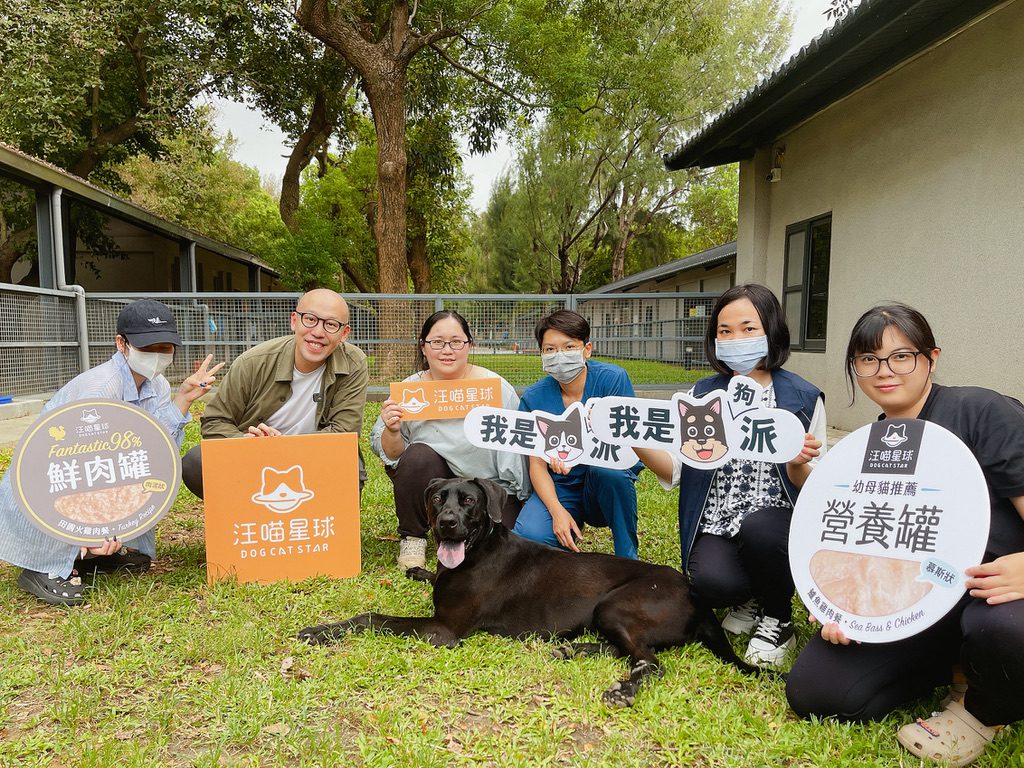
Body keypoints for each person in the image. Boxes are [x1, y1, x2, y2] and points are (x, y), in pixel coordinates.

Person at [785, 303, 1024, 766]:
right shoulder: (875, 440)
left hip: (991, 596)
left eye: (901, 356)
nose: (884, 371)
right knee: (817, 691)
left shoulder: (981, 411)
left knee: (1007, 631)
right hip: (922, 602)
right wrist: (848, 608)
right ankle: (954, 666)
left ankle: (982, 708)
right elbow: (863, 533)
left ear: (931, 357)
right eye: (868, 359)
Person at [637, 284, 825, 665]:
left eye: (748, 328)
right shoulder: (703, 393)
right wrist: (633, 439)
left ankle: (777, 617)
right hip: (720, 520)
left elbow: (819, 487)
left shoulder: (804, 398)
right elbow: (674, 468)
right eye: (725, 331)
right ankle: (751, 599)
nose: (735, 339)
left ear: (772, 331)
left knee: (761, 530)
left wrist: (796, 463)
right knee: (710, 583)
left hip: (777, 522)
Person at [0, 299, 222, 606]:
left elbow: (154, 452)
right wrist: (88, 530)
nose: (157, 356)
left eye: (165, 347)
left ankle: (96, 554)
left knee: (134, 486)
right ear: (122, 343)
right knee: (81, 487)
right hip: (50, 485)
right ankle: (45, 567)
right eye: (148, 347)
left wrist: (184, 397)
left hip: (101, 476)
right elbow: (78, 467)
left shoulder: (155, 385)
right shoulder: (101, 388)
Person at [370, 310, 529, 571]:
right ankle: (413, 537)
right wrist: (392, 429)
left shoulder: (496, 387)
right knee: (418, 455)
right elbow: (394, 455)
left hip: (488, 489)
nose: (447, 350)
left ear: (469, 346)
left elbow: (517, 450)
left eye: (456, 342)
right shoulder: (410, 390)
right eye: (437, 342)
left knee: (501, 546)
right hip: (441, 487)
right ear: (423, 347)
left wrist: (521, 499)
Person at [181, 289, 369, 497]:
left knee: (349, 464)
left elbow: (345, 432)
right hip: (254, 457)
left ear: (344, 334)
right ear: (294, 321)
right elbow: (215, 421)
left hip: (314, 458)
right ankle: (249, 510)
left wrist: (282, 448)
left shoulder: (353, 363)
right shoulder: (253, 362)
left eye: (331, 324)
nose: (318, 332)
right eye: (310, 319)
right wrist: (247, 441)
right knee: (195, 461)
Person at [512, 310, 642, 559]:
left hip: (603, 480)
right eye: (550, 349)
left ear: (587, 349)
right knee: (530, 538)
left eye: (569, 346)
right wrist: (557, 511)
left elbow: (624, 446)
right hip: (561, 486)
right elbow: (537, 465)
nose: (559, 356)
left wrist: (575, 454)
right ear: (541, 354)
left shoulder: (612, 380)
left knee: (610, 473)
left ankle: (628, 558)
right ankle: (567, 521)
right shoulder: (533, 398)